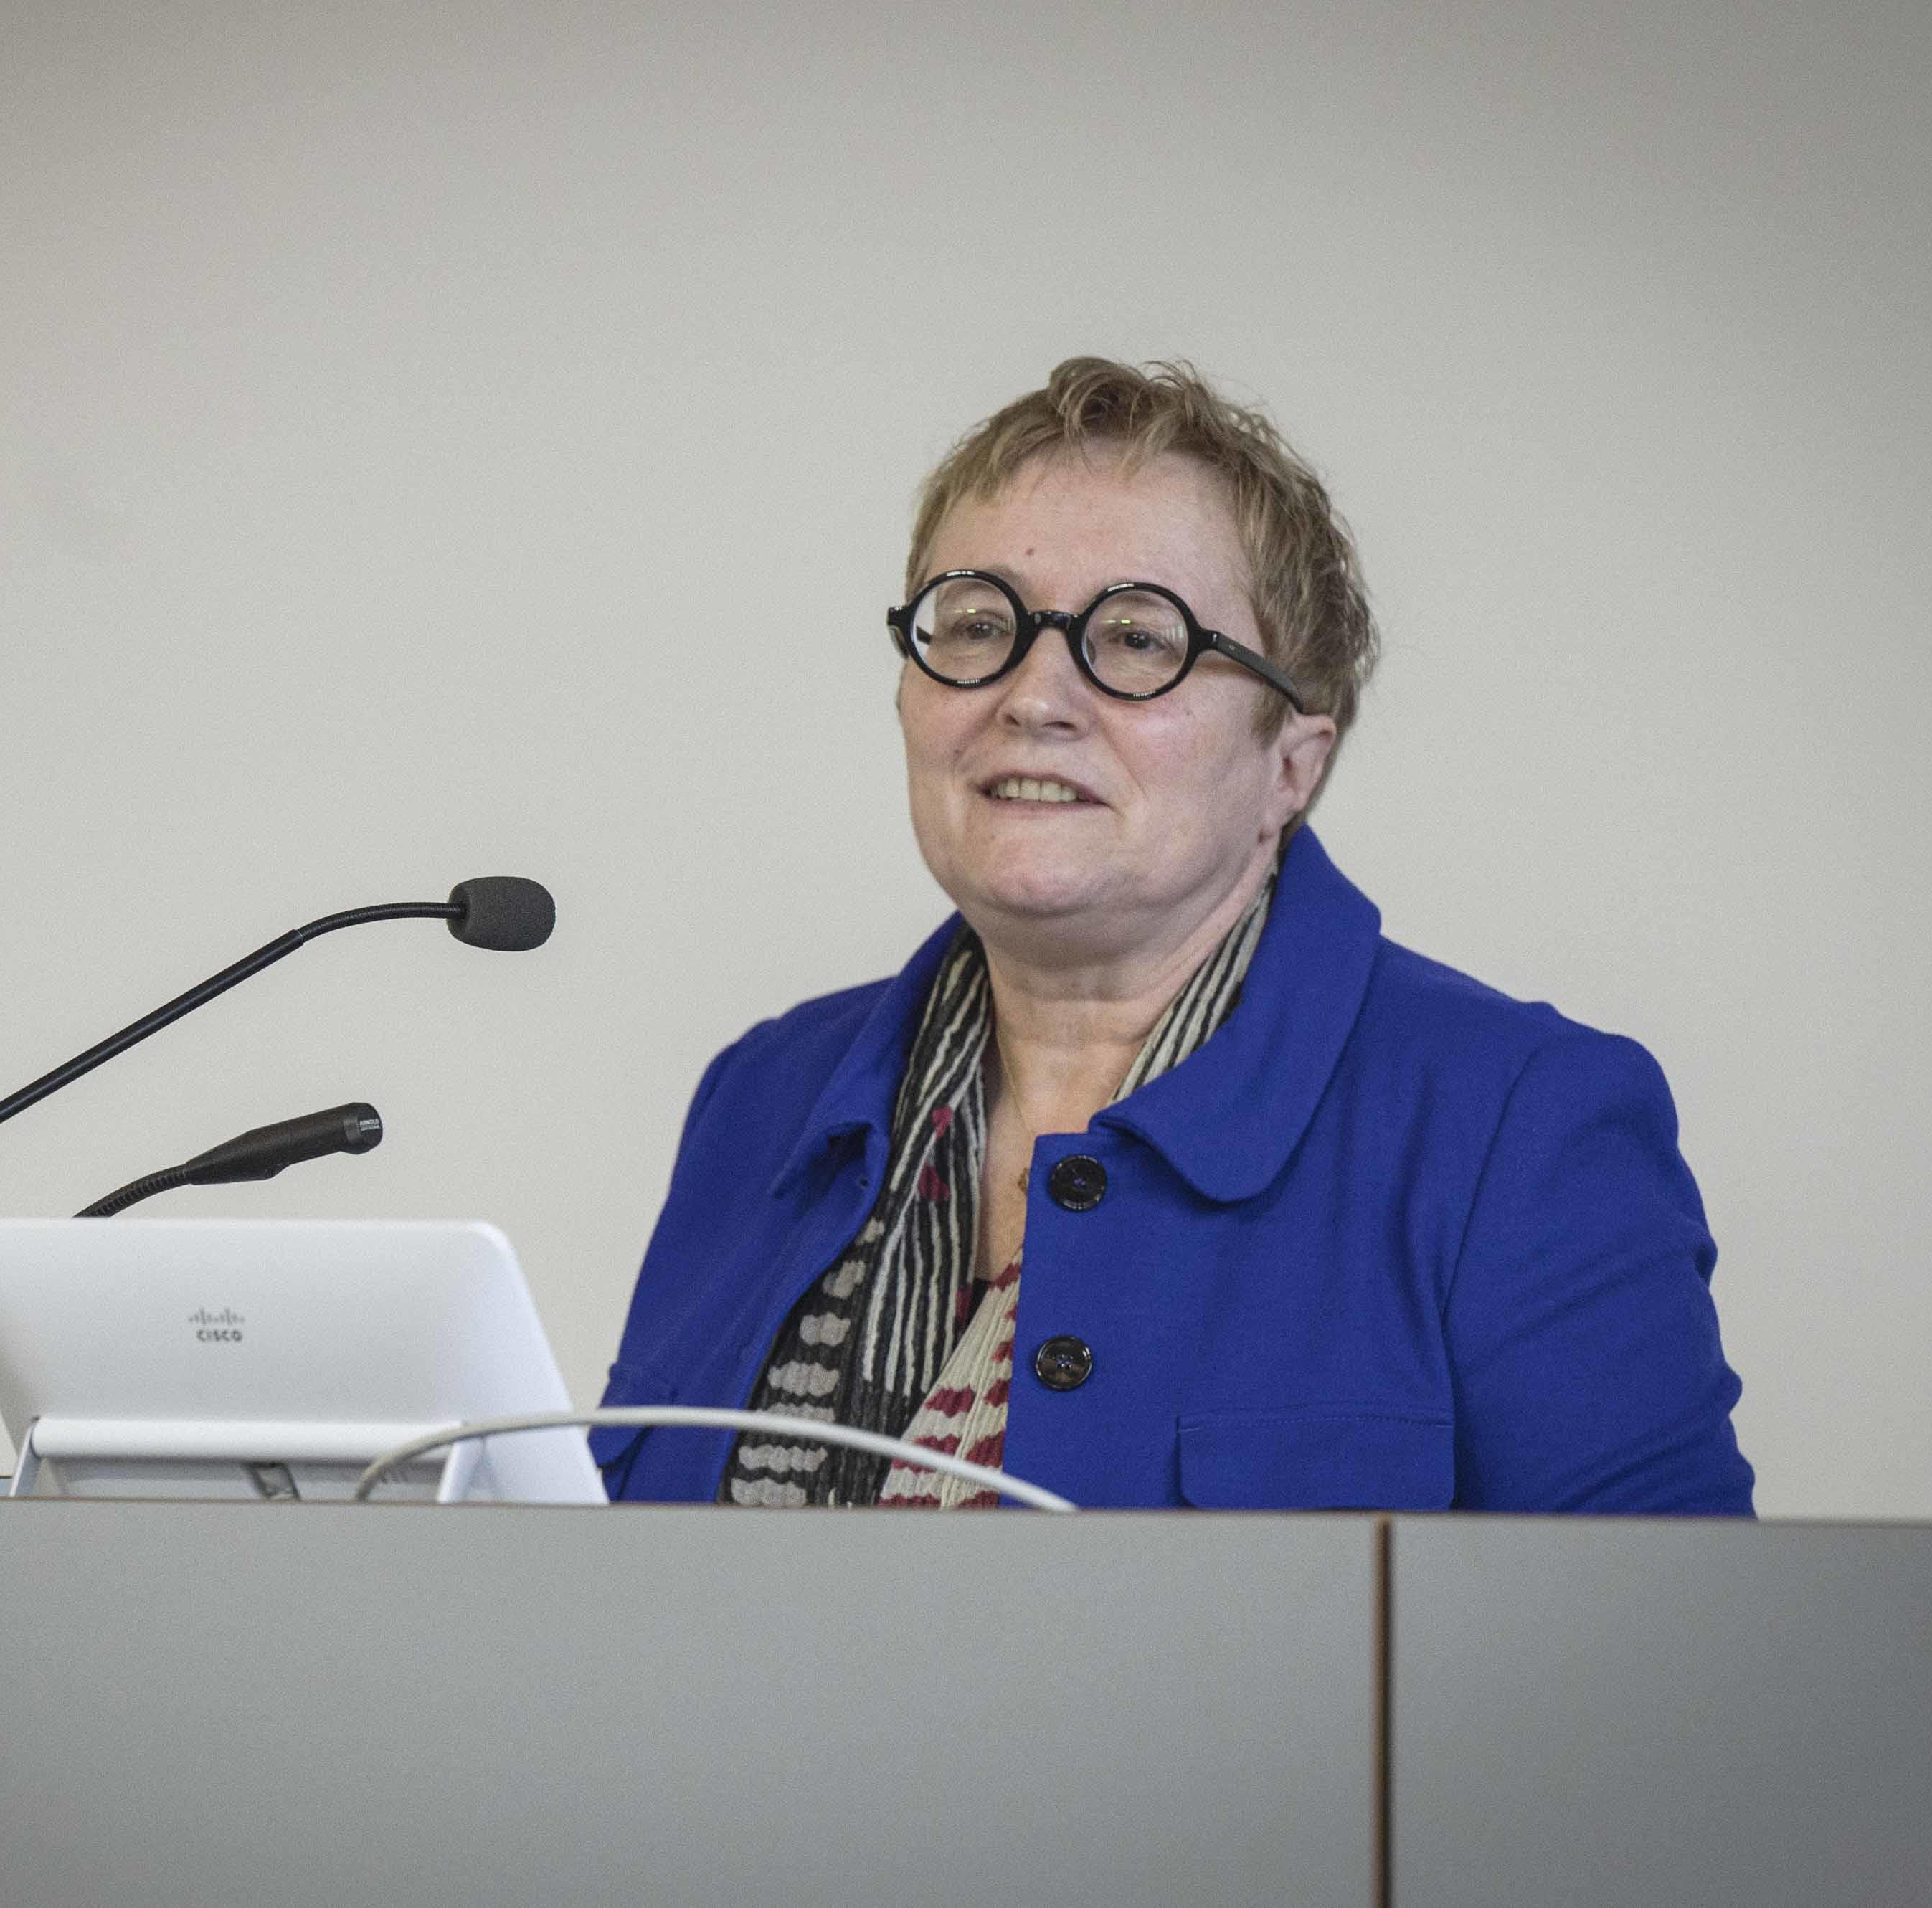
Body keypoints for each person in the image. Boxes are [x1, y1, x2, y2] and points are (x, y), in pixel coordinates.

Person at [595, 356, 1752, 1513]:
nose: (1033, 696)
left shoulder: (1521, 1127)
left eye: (1139, 638)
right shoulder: (762, 1096)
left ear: (1291, 761)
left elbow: (1656, 1631)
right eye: (980, 622)